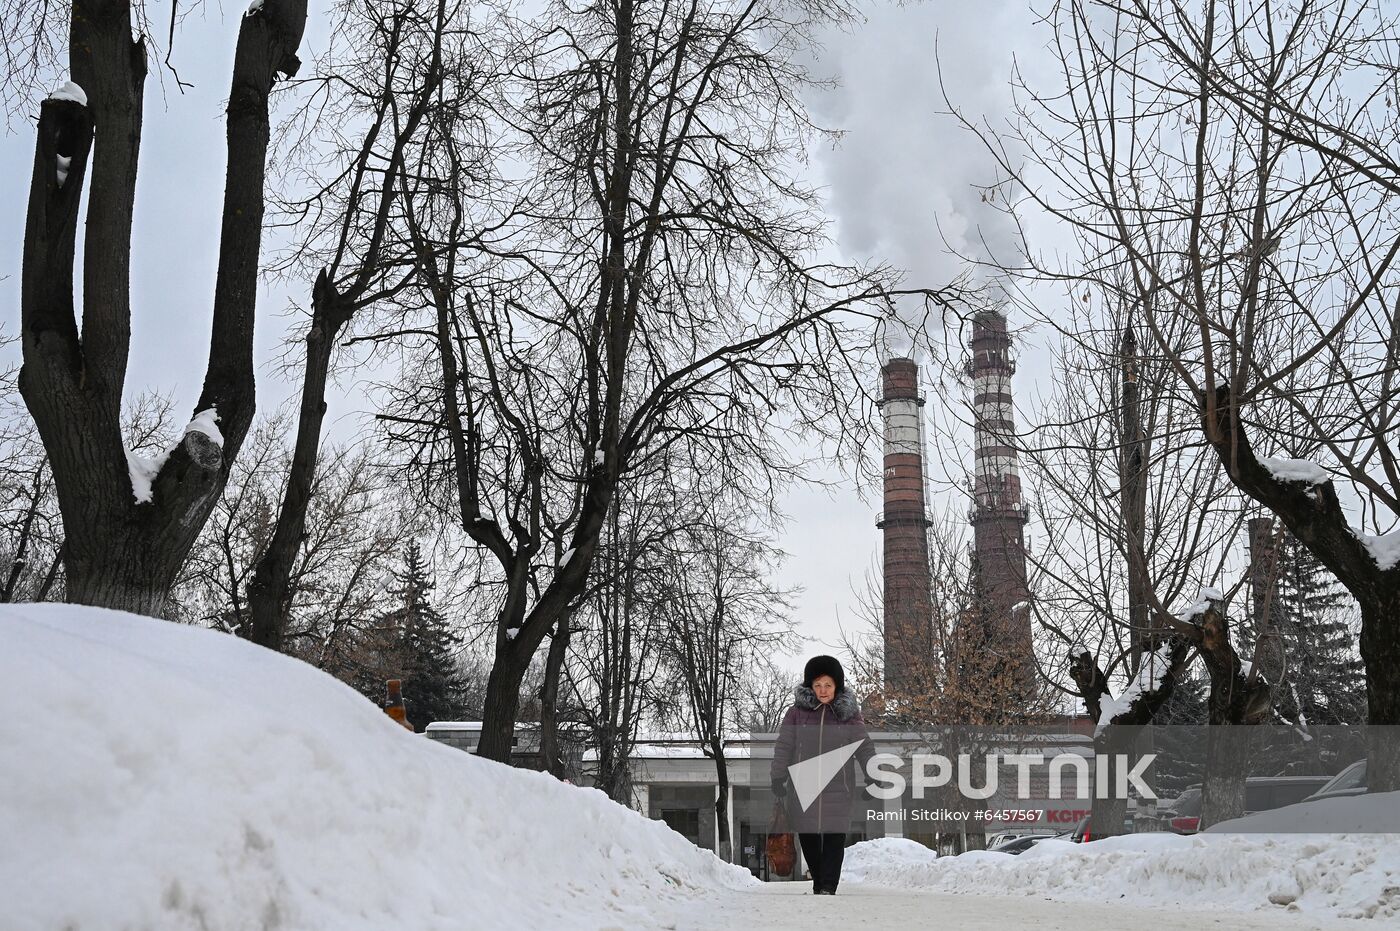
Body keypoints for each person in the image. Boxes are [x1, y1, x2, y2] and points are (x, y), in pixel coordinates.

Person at [769, 654, 876, 895]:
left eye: (827, 684)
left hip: (839, 788)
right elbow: (784, 745)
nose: (823, 690)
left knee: (834, 839)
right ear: (810, 686)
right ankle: (819, 881)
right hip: (803, 786)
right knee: (809, 838)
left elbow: (864, 747)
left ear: (837, 684)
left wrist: (873, 776)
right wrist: (778, 777)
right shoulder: (796, 714)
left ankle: (828, 885)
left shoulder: (848, 716)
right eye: (817, 685)